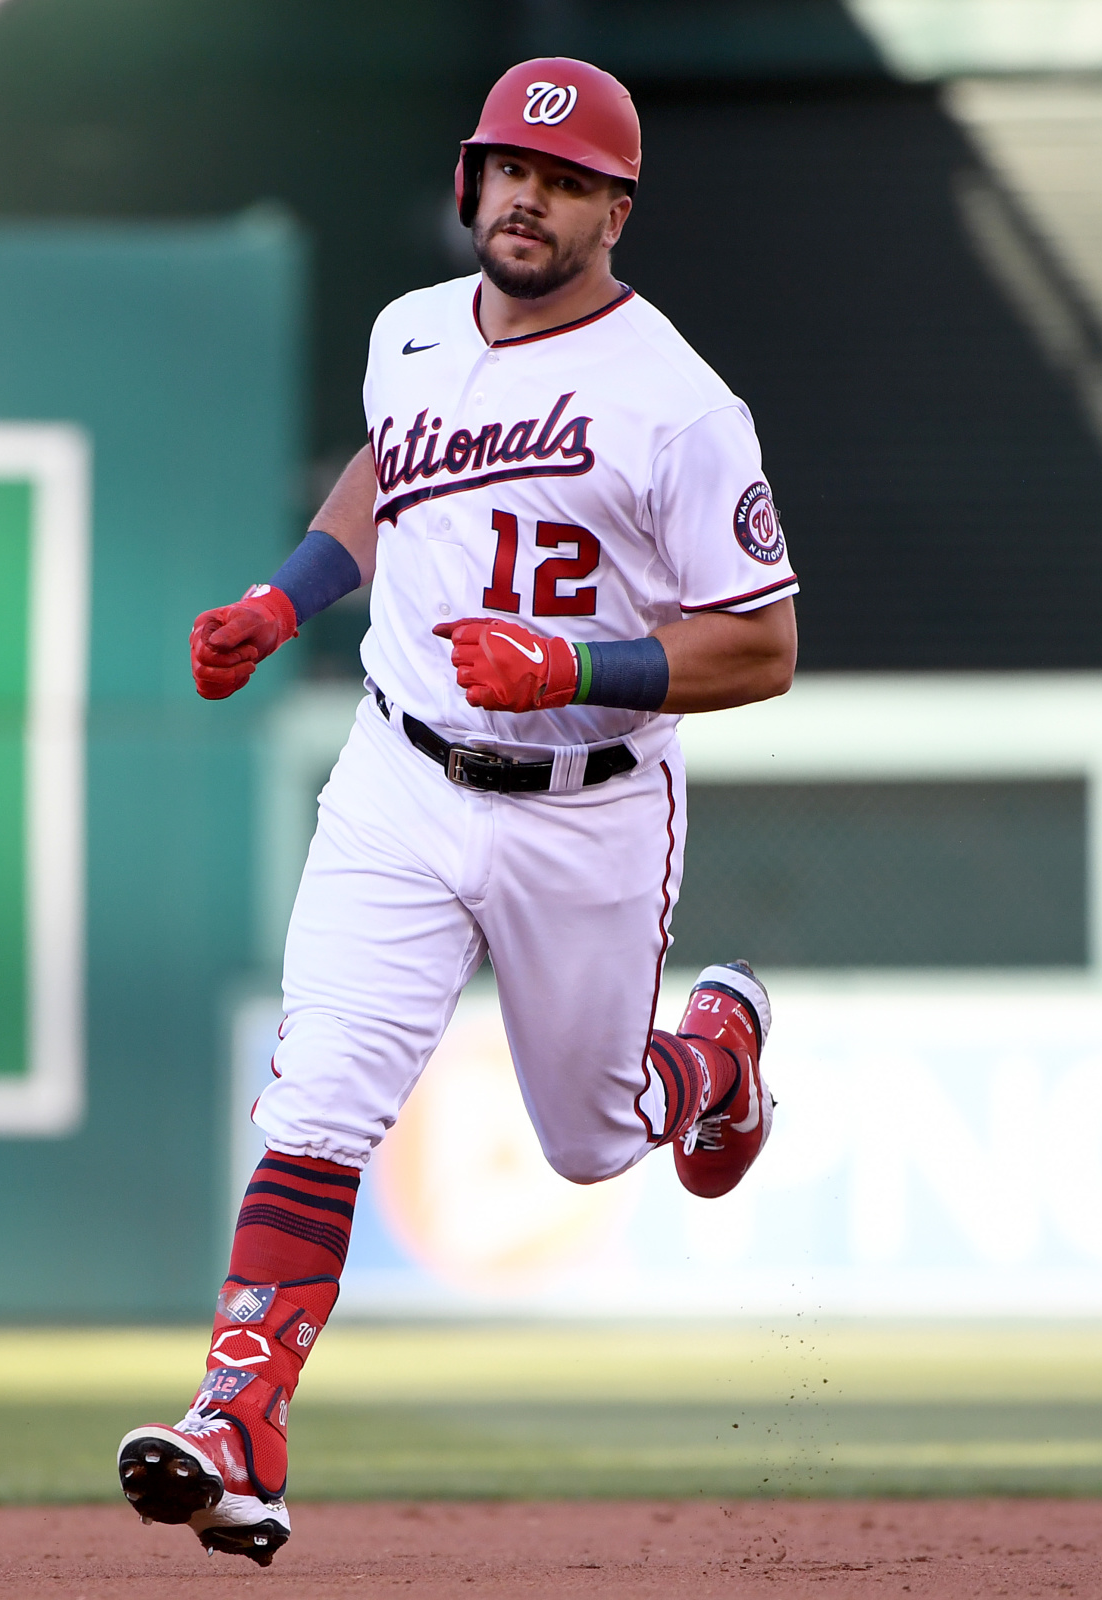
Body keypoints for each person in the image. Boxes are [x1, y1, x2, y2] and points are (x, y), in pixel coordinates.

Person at [116, 56, 798, 1565]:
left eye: (566, 181)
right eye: (511, 169)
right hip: (399, 777)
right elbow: (390, 464)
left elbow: (763, 644)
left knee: (593, 1137)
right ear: (470, 182)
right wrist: (285, 598)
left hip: (587, 802)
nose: (531, 197)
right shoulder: (411, 333)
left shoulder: (680, 406)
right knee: (319, 1103)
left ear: (617, 208)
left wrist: (581, 657)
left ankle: (719, 1053)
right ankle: (240, 1420)